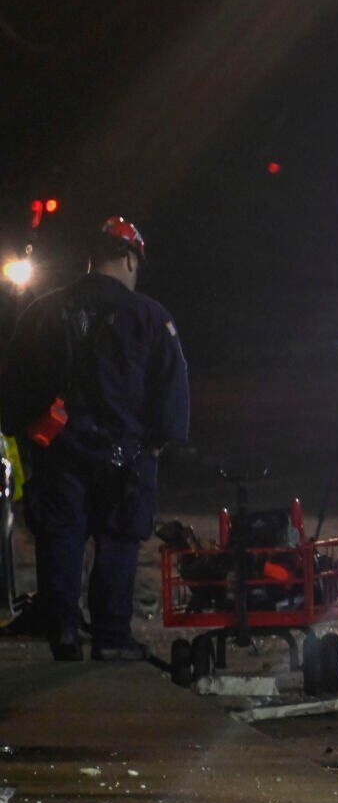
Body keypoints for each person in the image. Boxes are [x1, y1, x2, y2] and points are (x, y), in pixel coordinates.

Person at [0, 217, 189, 661]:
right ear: (128, 258)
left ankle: (63, 630)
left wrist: (25, 428)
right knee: (118, 541)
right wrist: (157, 443)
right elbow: (170, 390)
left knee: (61, 538)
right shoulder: (151, 317)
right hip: (126, 456)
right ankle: (110, 637)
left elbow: (14, 383)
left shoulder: (43, 312)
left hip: (58, 452)